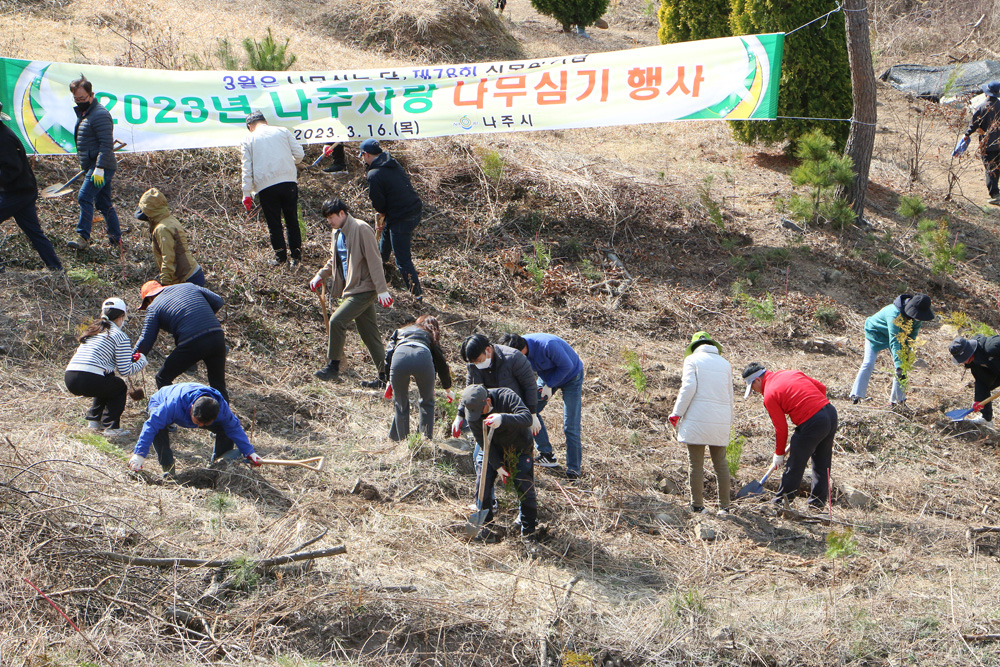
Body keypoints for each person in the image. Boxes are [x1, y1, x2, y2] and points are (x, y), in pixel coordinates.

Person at [309, 198, 393, 385]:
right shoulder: (337, 233)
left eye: (332, 217)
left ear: (342, 213)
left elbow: (374, 260)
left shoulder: (362, 229)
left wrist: (381, 289)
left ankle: (333, 366)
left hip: (365, 288)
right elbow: (335, 260)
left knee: (337, 321)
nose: (330, 221)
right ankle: (386, 376)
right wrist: (320, 275)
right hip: (352, 288)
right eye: (327, 218)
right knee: (369, 333)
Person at [742, 362, 838, 509]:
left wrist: (778, 454)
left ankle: (780, 503)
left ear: (758, 380)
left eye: (753, 388)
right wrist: (815, 408)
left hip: (812, 421)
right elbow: (821, 388)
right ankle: (817, 506)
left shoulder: (769, 394)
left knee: (795, 464)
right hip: (830, 414)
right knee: (822, 463)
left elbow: (781, 428)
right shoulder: (790, 373)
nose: (755, 392)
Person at [127, 382, 262, 477]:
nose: (201, 427)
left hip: (196, 408)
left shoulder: (221, 407)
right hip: (161, 400)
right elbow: (151, 425)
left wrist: (249, 452)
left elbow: (234, 428)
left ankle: (218, 465)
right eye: (198, 422)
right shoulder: (174, 404)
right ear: (192, 409)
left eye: (205, 424)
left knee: (225, 428)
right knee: (159, 428)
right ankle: (168, 469)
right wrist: (139, 454)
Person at [498, 332, 584, 480]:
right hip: (546, 377)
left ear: (522, 349)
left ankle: (573, 470)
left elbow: (567, 366)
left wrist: (550, 385)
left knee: (570, 426)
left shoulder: (547, 345)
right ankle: (546, 454)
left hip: (571, 377)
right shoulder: (517, 349)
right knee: (527, 411)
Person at [460, 384, 537, 542]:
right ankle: (486, 529)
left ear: (488, 401)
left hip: (519, 447)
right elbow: (483, 441)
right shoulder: (472, 413)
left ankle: (528, 533)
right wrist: (498, 465)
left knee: (524, 486)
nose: (477, 416)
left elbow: (527, 418)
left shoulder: (506, 396)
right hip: (492, 448)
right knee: (483, 483)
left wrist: (503, 418)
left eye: (481, 411)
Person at [455, 334, 541, 476]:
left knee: (517, 458)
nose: (477, 365)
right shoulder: (473, 365)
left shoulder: (513, 358)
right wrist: (460, 414)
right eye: (473, 362)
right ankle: (488, 494)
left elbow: (530, 386)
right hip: (487, 413)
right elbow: (470, 390)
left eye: (479, 360)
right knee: (481, 458)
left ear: (488, 350)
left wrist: (532, 413)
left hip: (513, 415)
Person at [668, 332, 734, 515]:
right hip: (720, 420)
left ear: (694, 346)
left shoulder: (692, 360)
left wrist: (677, 413)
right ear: (712, 345)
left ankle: (698, 506)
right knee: (720, 463)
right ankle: (725, 507)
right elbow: (730, 396)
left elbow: (688, 388)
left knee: (696, 464)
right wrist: (729, 420)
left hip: (697, 419)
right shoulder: (725, 364)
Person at [64, 297, 147, 437]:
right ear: (121, 316)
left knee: (108, 379)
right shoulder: (120, 336)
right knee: (119, 386)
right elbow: (125, 370)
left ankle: (93, 421)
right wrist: (142, 361)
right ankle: (111, 427)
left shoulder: (93, 331)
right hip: (88, 379)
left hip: (70, 378)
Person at [133, 280, 228, 400]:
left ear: (148, 299)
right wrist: (202, 316)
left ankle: (174, 410)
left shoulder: (153, 307)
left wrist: (132, 358)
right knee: (218, 385)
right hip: (216, 335)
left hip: (193, 342)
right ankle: (224, 417)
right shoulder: (189, 286)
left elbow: (146, 338)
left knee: (163, 378)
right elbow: (218, 300)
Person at [0, 101, 63, 272]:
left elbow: (11, 169)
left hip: (16, 192)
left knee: (34, 232)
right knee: (34, 232)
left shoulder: (4, 138)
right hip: (22, 191)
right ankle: (55, 267)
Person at [359, 138, 424, 299]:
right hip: (413, 209)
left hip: (402, 217)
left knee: (402, 259)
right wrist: (384, 216)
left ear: (366, 154)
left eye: (362, 155)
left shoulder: (374, 174)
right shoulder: (392, 162)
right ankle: (377, 271)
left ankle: (417, 295)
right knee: (384, 242)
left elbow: (378, 201)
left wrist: (381, 213)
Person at [240, 111, 305, 266]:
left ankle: (280, 258)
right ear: (266, 121)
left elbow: (246, 168)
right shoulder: (282, 131)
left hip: (266, 186)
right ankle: (296, 256)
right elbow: (300, 154)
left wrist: (246, 192)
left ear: (250, 127)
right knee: (292, 220)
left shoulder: (248, 139)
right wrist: (289, 163)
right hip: (288, 182)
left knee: (274, 223)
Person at [66, 76, 122, 250]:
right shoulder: (86, 112)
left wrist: (99, 167)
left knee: (84, 197)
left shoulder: (100, 115)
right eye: (76, 99)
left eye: (82, 99)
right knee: (103, 203)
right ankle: (116, 238)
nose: (79, 102)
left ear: (92, 95)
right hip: (93, 165)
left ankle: (83, 236)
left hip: (101, 167)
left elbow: (106, 145)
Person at [849, 294, 934, 406]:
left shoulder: (916, 316)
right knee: (868, 362)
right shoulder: (894, 313)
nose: (919, 318)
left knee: (903, 367)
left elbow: (911, 336)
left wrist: (907, 354)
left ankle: (898, 401)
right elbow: (895, 340)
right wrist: (898, 363)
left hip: (896, 336)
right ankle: (856, 395)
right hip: (875, 333)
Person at [383, 315, 454, 441]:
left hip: (400, 355)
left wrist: (389, 379)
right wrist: (447, 388)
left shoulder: (400, 331)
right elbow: (441, 363)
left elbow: (389, 354)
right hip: (422, 356)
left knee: (400, 402)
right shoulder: (430, 335)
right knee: (427, 402)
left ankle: (401, 441)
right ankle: (424, 441)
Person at [135, 188, 205, 286]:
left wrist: (165, 283)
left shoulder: (162, 229)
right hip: (190, 274)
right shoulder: (169, 219)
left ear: (150, 213)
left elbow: (169, 258)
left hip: (187, 278)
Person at [957, 81, 1000, 205]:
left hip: (987, 144)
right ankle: (996, 191)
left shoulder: (982, 107)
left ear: (987, 94)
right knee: (997, 167)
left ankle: (995, 194)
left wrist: (966, 135)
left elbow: (973, 124)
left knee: (990, 168)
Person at [949, 334, 1000, 424]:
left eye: (962, 358)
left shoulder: (993, 346)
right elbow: (981, 381)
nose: (962, 361)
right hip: (996, 370)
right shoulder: (973, 362)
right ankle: (986, 419)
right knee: (983, 385)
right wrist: (979, 400)